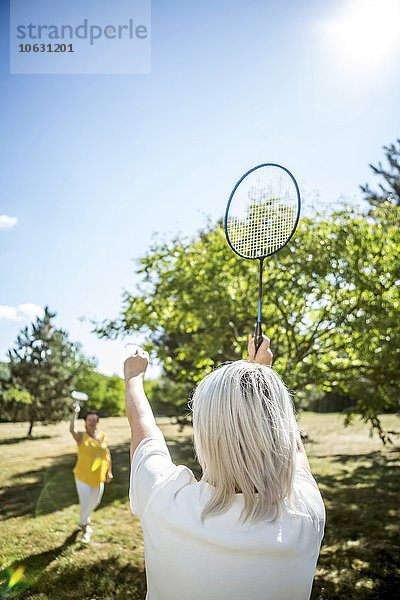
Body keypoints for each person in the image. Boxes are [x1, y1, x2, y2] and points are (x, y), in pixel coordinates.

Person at [125, 335, 325, 600]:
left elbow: (142, 426)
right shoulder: (306, 514)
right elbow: (295, 450)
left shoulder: (163, 501)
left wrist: (133, 377)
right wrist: (262, 381)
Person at [70, 405, 113, 544]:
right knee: (86, 502)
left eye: (94, 420)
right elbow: (72, 430)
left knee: (95, 502)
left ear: (97, 422)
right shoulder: (81, 436)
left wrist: (109, 471)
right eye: (90, 420)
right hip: (82, 476)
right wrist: (74, 414)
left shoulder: (102, 436)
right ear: (85, 421)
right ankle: (85, 527)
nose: (92, 422)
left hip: (98, 476)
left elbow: (107, 454)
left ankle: (83, 519)